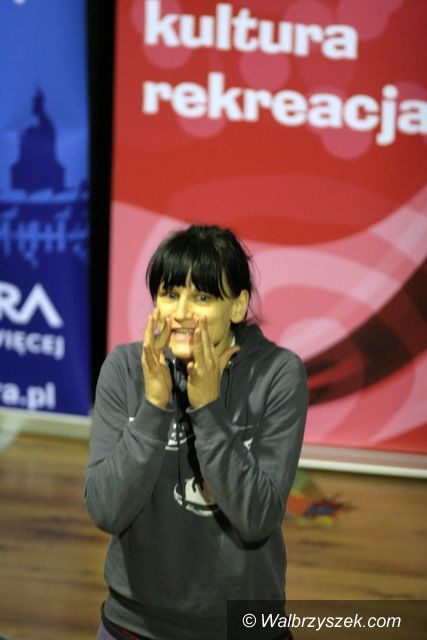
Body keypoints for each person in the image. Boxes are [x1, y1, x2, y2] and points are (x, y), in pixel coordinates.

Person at [85, 224, 308, 640]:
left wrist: (207, 408)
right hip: (132, 624)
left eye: (203, 297)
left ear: (238, 306)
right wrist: (154, 406)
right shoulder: (125, 368)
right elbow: (106, 510)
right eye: (170, 294)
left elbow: (257, 518)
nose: (182, 312)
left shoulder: (278, 374)